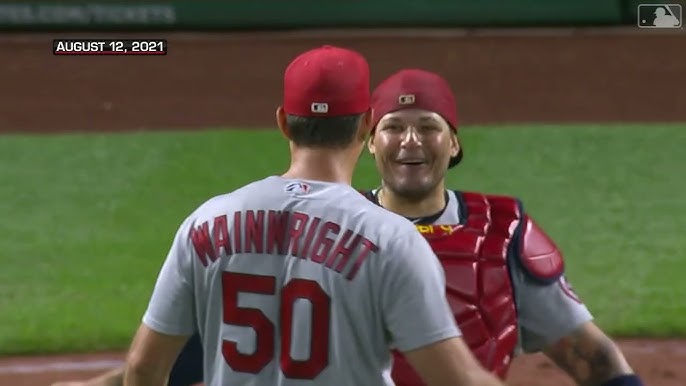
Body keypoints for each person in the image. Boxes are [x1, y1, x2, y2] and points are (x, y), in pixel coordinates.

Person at [88, 46, 506, 386]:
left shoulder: (206, 222)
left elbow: (144, 369)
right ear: (366, 125)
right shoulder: (391, 239)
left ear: (284, 122)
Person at [361, 68, 646, 386]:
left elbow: (591, 357)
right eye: (393, 127)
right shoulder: (331, 223)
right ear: (371, 142)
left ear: (454, 144)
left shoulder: (501, 233)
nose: (411, 141)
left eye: (428, 127)